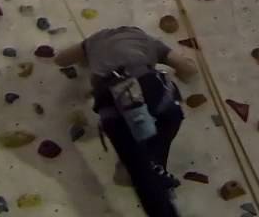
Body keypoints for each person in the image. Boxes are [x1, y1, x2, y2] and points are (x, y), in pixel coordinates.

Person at [55, 26, 198, 217]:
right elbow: (188, 69)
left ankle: (135, 169)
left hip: (108, 97)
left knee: (139, 171)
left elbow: (60, 59)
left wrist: (86, 56)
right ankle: (155, 162)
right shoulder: (149, 41)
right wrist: (184, 69)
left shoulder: (93, 40)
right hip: (144, 84)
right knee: (170, 116)